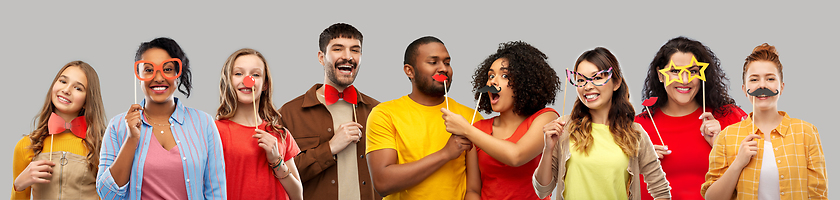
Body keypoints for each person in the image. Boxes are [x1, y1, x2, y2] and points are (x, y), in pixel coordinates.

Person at [96, 37, 226, 199]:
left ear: (178, 74)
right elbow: (107, 194)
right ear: (138, 75)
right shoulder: (117, 126)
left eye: (168, 69)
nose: (158, 77)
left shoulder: (204, 123)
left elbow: (216, 193)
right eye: (149, 70)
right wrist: (131, 139)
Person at [533, 47, 671, 200]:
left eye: (597, 77)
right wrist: (547, 148)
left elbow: (661, 190)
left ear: (616, 82)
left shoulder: (634, 133)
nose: (588, 86)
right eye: (581, 80)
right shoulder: (564, 128)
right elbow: (543, 190)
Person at [701, 43, 827, 199]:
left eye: (770, 78)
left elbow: (818, 194)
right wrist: (738, 163)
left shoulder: (806, 132)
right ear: (744, 89)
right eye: (754, 79)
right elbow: (711, 198)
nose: (762, 85)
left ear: (781, 87)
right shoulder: (726, 137)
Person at [366, 36, 482, 200]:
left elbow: (473, 190)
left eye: (447, 62)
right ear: (409, 71)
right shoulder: (384, 114)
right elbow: (382, 183)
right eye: (433, 62)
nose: (443, 68)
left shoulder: (471, 117)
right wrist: (445, 154)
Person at [441, 41, 559, 200]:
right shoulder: (479, 129)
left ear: (524, 82)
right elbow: (473, 191)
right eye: (490, 76)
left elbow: (516, 156)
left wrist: (466, 129)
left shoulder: (545, 118)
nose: (492, 82)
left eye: (504, 75)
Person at [635, 36, 747, 200]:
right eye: (675, 71)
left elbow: (760, 175)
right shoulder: (636, 127)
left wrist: (722, 144)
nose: (685, 80)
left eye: (693, 71)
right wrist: (631, 163)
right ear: (660, 75)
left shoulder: (729, 117)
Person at [279, 23, 381, 200]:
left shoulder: (379, 111)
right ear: (321, 57)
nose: (348, 56)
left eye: (355, 50)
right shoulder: (288, 113)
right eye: (338, 49)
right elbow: (280, 177)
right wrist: (330, 148)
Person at [216, 48, 302, 200]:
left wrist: (276, 161)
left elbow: (297, 196)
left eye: (255, 74)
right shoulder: (214, 131)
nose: (247, 79)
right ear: (229, 80)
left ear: (265, 85)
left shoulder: (281, 134)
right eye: (238, 73)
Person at [12, 61, 106, 199]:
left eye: (78, 88)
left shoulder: (102, 147)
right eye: (62, 81)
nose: (66, 90)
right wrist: (18, 186)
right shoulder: (25, 146)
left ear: (87, 101)